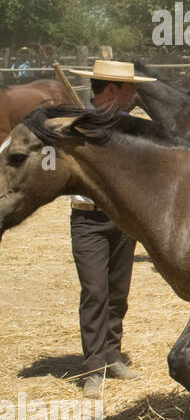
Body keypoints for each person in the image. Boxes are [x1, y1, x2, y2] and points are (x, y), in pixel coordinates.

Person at [62, 59, 158, 398]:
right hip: (87, 220)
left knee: (118, 292)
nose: (135, 93)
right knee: (95, 292)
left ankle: (113, 356)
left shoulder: (131, 126)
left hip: (122, 218)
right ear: (113, 89)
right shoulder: (73, 126)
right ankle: (93, 368)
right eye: (130, 87)